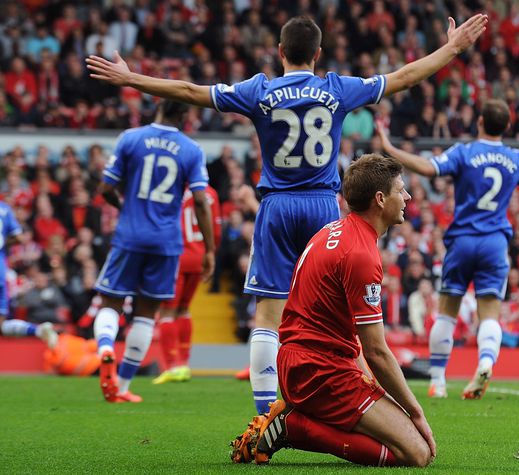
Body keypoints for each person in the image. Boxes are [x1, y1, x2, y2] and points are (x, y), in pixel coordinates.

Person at [87, 13, 489, 414]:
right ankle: (344, 397)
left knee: (268, 313)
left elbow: (189, 90)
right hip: (322, 207)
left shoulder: (258, 91)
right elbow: (403, 77)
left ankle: (264, 415)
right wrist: (452, 48)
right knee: (336, 312)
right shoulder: (336, 89)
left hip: (277, 206)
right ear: (318, 54)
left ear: (279, 52)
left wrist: (131, 78)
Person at [376, 98, 519, 399]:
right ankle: (486, 362)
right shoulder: (515, 158)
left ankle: (437, 380)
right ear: (507, 126)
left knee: (447, 313)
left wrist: (391, 147)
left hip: (462, 240)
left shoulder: (465, 152)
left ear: (479, 122)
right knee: (490, 313)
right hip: (494, 243)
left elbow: (427, 168)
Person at [230, 154, 434, 467]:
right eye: (400, 191)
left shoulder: (331, 232)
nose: (407, 197)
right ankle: (293, 427)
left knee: (395, 431)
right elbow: (376, 350)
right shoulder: (361, 254)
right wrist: (416, 411)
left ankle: (298, 418)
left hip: (308, 363)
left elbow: (350, 340)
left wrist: (380, 395)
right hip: (320, 373)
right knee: (418, 453)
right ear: (380, 199)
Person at [92, 100, 215, 403]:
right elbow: (200, 200)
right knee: (147, 315)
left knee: (111, 303)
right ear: (185, 116)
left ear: (157, 109)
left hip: (129, 236)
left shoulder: (130, 138)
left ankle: (106, 348)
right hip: (166, 242)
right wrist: (210, 248)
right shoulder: (191, 149)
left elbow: (105, 189)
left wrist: (126, 209)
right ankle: (121, 388)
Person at [152, 185, 221, 384]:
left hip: (176, 256)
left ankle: (172, 365)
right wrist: (210, 253)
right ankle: (184, 364)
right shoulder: (210, 193)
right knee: (183, 309)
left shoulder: (172, 189)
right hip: (199, 256)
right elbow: (216, 230)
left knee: (167, 311)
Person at [0, 200, 57, 348]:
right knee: (1, 324)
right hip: (2, 273)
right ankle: (38, 330)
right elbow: (18, 237)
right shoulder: (4, 209)